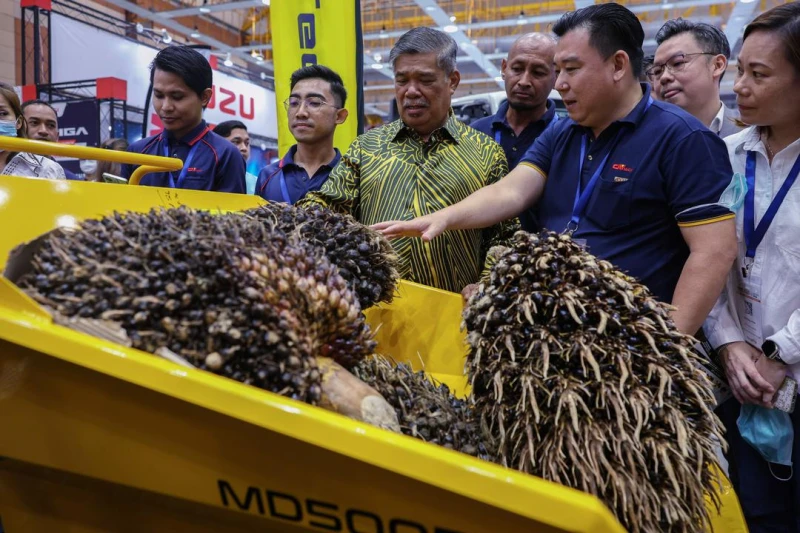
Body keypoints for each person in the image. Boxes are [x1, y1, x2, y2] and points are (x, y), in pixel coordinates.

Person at [373, 3, 737, 336]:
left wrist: (668, 344)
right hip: (555, 333)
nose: (559, 83)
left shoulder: (683, 139)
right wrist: (444, 218)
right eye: (559, 70)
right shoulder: (564, 132)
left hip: (627, 342)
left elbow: (713, 252)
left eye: (572, 69)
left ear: (618, 65)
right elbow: (511, 191)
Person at [299, 28, 514, 294]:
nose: (411, 91)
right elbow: (329, 206)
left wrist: (485, 283)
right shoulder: (367, 147)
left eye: (425, 80)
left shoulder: (486, 153)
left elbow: (504, 237)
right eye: (402, 81)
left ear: (453, 81)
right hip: (376, 312)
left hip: (452, 316)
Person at [703, 3, 800, 530]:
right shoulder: (725, 154)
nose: (739, 85)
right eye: (740, 69)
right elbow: (706, 259)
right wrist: (729, 342)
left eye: (759, 74)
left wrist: (781, 352)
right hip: (741, 383)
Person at [122, 46, 245, 193]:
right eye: (159, 95)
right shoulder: (137, 152)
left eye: (177, 97)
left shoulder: (226, 155)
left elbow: (234, 214)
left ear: (205, 97)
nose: (166, 107)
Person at [470, 33, 558, 230]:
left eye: (538, 72)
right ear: (504, 68)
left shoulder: (565, 137)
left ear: (556, 76)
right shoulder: (475, 134)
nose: (524, 81)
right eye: (517, 69)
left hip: (541, 256)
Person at [256, 65, 348, 203]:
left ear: (339, 116)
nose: (300, 112)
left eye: (315, 103)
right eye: (294, 103)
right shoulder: (268, 176)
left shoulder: (351, 177)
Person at [651, 19, 743, 137]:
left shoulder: (754, 132)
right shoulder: (648, 143)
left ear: (717, 66)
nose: (664, 77)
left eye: (677, 63)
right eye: (657, 71)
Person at [0, 83, 64, 180]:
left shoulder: (48, 170)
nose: (43, 131)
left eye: (2, 113)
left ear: (19, 122)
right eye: (34, 122)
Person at [21, 99, 81, 180]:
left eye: (50, 125)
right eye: (34, 123)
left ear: (57, 136)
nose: (43, 131)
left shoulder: (72, 181)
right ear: (18, 128)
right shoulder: (4, 173)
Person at [213, 120, 258, 194]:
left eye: (247, 143)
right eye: (236, 142)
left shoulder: (256, 183)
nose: (244, 148)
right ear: (217, 145)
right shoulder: (205, 176)